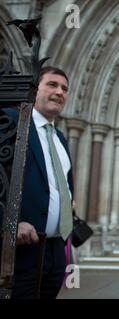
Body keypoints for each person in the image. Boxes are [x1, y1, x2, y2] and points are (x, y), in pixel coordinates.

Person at [0, 66, 74, 299]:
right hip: (19, 249)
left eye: (64, 88)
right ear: (34, 90)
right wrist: (8, 223)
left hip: (54, 250)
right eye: (52, 85)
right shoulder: (12, 123)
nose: (59, 92)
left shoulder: (60, 138)